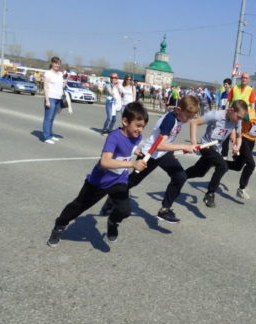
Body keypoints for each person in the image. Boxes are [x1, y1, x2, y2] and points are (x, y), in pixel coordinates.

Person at [46, 102, 149, 247]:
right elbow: (105, 163)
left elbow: (130, 146)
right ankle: (59, 226)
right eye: (138, 125)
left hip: (119, 179)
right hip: (99, 182)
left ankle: (112, 222)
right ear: (125, 121)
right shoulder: (114, 137)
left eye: (143, 126)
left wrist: (135, 151)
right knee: (77, 207)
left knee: (125, 210)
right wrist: (132, 164)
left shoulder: (136, 136)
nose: (140, 129)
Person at [100, 95, 200, 223]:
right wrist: (182, 146)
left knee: (180, 176)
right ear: (179, 109)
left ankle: (164, 210)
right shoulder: (170, 120)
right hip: (150, 154)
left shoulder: (180, 116)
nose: (189, 119)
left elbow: (166, 144)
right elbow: (159, 145)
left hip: (163, 153)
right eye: (187, 115)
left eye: (191, 116)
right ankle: (113, 196)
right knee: (133, 181)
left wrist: (179, 149)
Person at [185, 100, 248, 208]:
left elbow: (239, 136)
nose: (239, 120)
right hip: (206, 146)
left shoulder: (237, 120)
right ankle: (210, 193)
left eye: (241, 118)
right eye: (238, 117)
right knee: (223, 166)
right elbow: (194, 122)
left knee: (199, 172)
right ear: (231, 110)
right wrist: (194, 143)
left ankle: (180, 175)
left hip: (216, 149)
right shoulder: (216, 115)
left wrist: (237, 146)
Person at [41, 57, 66, 144]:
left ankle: (51, 134)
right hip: (51, 97)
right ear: (51, 63)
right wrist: (47, 100)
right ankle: (46, 136)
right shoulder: (48, 73)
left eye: (58, 63)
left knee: (52, 118)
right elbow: (45, 86)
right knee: (48, 118)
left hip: (58, 98)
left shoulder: (60, 74)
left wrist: (67, 79)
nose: (57, 65)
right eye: (55, 63)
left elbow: (62, 86)